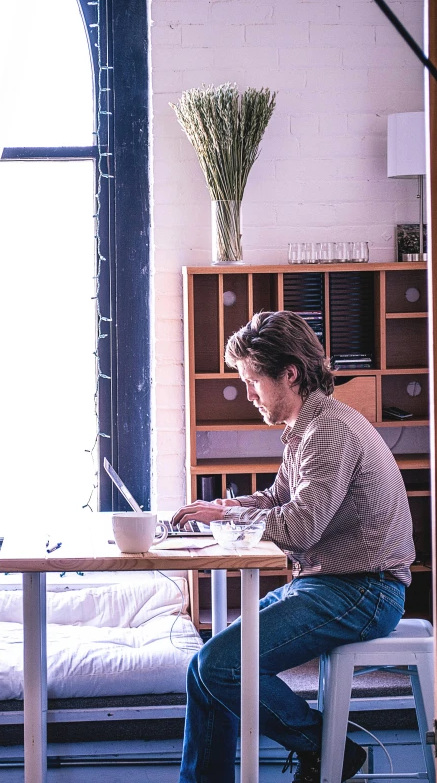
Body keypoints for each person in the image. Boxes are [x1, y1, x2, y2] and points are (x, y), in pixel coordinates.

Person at [172, 310, 415, 783]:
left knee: (220, 666)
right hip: (331, 583)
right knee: (202, 670)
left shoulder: (328, 430)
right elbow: (278, 498)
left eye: (253, 382)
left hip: (363, 591)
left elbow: (300, 527)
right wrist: (221, 508)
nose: (249, 396)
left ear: (290, 374)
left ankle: (330, 751)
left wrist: (228, 516)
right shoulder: (307, 426)